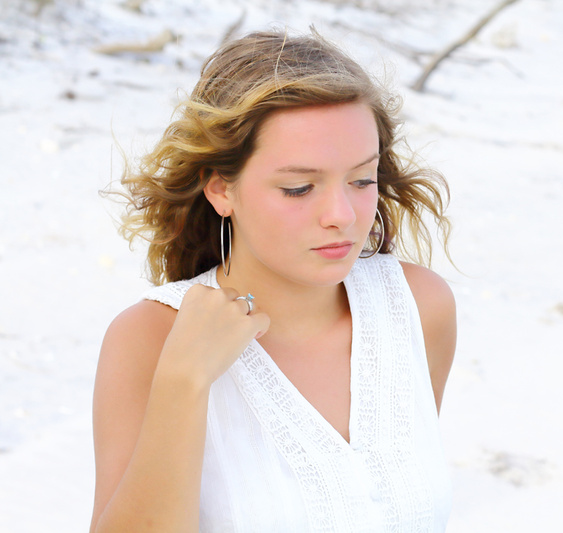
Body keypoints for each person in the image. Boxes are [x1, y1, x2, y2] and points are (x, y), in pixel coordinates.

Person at [89, 29, 456, 532]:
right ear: (221, 189)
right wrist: (183, 381)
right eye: (299, 188)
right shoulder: (148, 339)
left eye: (362, 179)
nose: (342, 214)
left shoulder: (418, 306)